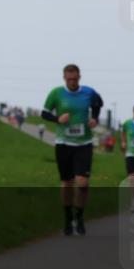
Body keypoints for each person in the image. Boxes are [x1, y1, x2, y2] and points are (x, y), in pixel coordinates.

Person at [41, 64, 103, 236]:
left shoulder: (88, 92)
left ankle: (80, 216)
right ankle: (68, 218)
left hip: (84, 143)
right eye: (69, 79)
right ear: (64, 78)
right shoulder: (56, 93)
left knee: (83, 183)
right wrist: (57, 118)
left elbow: (99, 103)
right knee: (67, 183)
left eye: (75, 79)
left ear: (79, 77)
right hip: (63, 143)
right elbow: (44, 113)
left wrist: (95, 118)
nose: (72, 82)